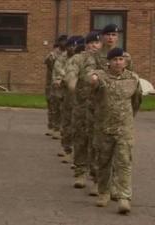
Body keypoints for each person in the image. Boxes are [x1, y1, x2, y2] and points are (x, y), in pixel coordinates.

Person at [89, 48, 142, 214]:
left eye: (121, 59)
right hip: (104, 127)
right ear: (109, 61)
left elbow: (136, 101)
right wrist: (93, 79)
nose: (118, 62)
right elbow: (90, 79)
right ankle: (104, 192)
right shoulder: (101, 75)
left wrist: (127, 118)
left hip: (124, 128)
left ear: (125, 61)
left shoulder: (133, 78)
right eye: (115, 59)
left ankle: (124, 197)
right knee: (103, 162)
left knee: (124, 162)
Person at [65, 31, 102, 190]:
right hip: (81, 106)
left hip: (100, 108)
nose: (94, 45)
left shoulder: (104, 60)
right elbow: (71, 72)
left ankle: (96, 178)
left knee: (97, 143)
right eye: (91, 42)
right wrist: (72, 84)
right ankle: (80, 173)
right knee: (80, 140)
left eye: (97, 43)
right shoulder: (78, 58)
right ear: (86, 44)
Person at [52, 36, 84, 163]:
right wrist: (62, 79)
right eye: (71, 46)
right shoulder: (63, 58)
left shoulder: (84, 58)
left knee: (80, 126)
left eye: (75, 46)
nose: (73, 48)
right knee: (67, 123)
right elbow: (59, 72)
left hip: (82, 97)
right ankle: (67, 149)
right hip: (68, 95)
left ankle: (77, 154)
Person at [44, 35, 67, 138]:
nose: (64, 43)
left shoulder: (68, 55)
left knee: (61, 107)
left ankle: (58, 128)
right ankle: (52, 126)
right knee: (52, 106)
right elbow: (47, 61)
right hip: (52, 84)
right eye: (62, 41)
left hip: (63, 85)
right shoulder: (53, 54)